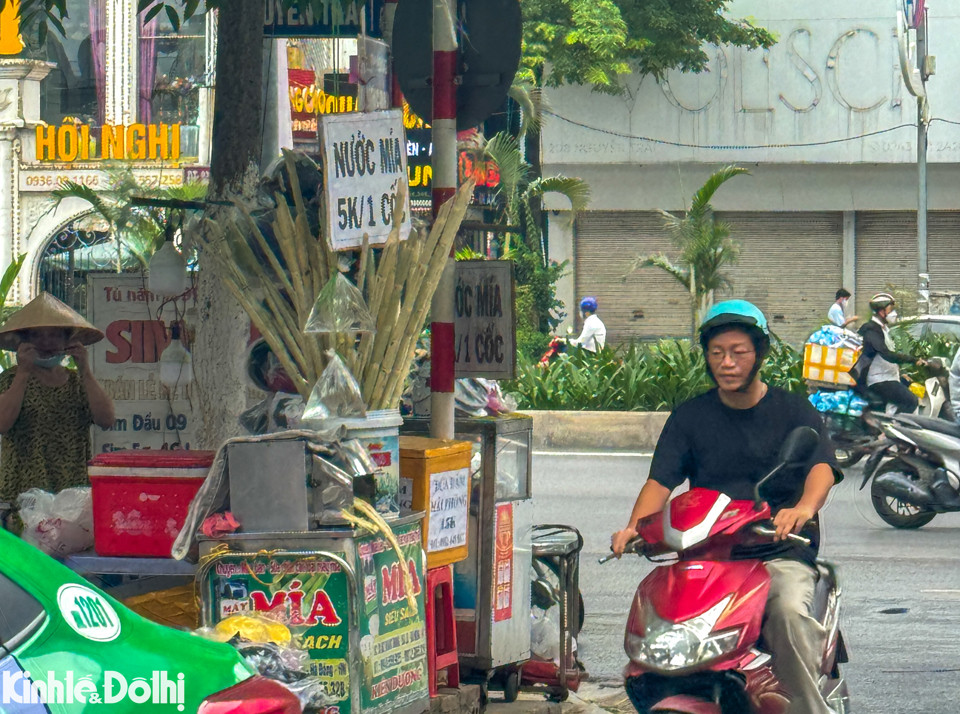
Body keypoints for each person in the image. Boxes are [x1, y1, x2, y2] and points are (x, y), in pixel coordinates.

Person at [611, 300, 842, 714]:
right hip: (708, 554)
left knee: (787, 613)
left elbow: (821, 467)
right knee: (657, 615)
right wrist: (634, 527)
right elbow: (660, 482)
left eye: (738, 352)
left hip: (776, 551)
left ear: (759, 354)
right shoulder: (690, 417)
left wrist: (803, 508)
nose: (727, 362)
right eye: (717, 353)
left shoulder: (793, 410)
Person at [0, 293, 115, 529]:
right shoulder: (10, 379)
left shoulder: (77, 382)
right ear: (24, 341)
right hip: (23, 495)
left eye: (54, 335)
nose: (46, 342)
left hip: (71, 495)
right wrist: (23, 372)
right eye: (37, 336)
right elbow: (2, 423)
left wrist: (85, 369)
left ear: (67, 341)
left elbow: (106, 419)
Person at [856, 293, 925, 413]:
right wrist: (913, 360)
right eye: (891, 309)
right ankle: (897, 429)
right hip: (878, 379)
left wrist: (901, 373)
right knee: (910, 401)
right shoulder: (871, 330)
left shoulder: (883, 329)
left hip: (889, 377)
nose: (894, 313)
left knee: (908, 395)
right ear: (881, 311)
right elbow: (886, 354)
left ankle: (889, 425)